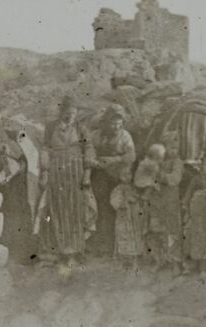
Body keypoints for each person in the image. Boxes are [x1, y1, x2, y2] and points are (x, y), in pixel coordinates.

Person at [36, 97, 96, 266]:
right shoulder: (51, 127)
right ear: (61, 112)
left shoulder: (81, 128)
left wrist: (87, 174)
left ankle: (75, 252)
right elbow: (45, 148)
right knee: (58, 209)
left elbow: (89, 150)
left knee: (76, 210)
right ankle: (61, 252)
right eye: (67, 113)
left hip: (76, 172)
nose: (70, 116)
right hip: (57, 173)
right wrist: (45, 172)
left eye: (73, 113)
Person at [89, 104, 136, 256]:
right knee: (100, 208)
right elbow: (88, 150)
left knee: (115, 208)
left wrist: (114, 160)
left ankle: (115, 247)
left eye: (119, 124)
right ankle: (101, 245)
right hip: (99, 175)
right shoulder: (96, 135)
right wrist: (94, 161)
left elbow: (131, 156)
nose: (116, 127)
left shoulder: (125, 136)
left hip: (117, 176)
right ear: (106, 122)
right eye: (113, 123)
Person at [144, 132, 184, 272]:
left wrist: (159, 176)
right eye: (170, 147)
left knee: (172, 231)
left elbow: (175, 179)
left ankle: (175, 262)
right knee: (155, 230)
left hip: (170, 201)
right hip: (156, 201)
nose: (174, 151)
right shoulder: (156, 161)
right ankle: (158, 259)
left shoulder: (177, 162)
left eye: (176, 148)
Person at [110, 164, 146, 270]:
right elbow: (114, 202)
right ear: (119, 176)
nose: (127, 177)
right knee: (123, 237)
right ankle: (122, 261)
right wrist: (125, 201)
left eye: (129, 174)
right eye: (124, 175)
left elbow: (139, 199)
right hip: (124, 217)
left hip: (134, 217)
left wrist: (137, 200)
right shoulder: (118, 189)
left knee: (135, 237)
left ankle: (135, 261)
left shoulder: (134, 188)